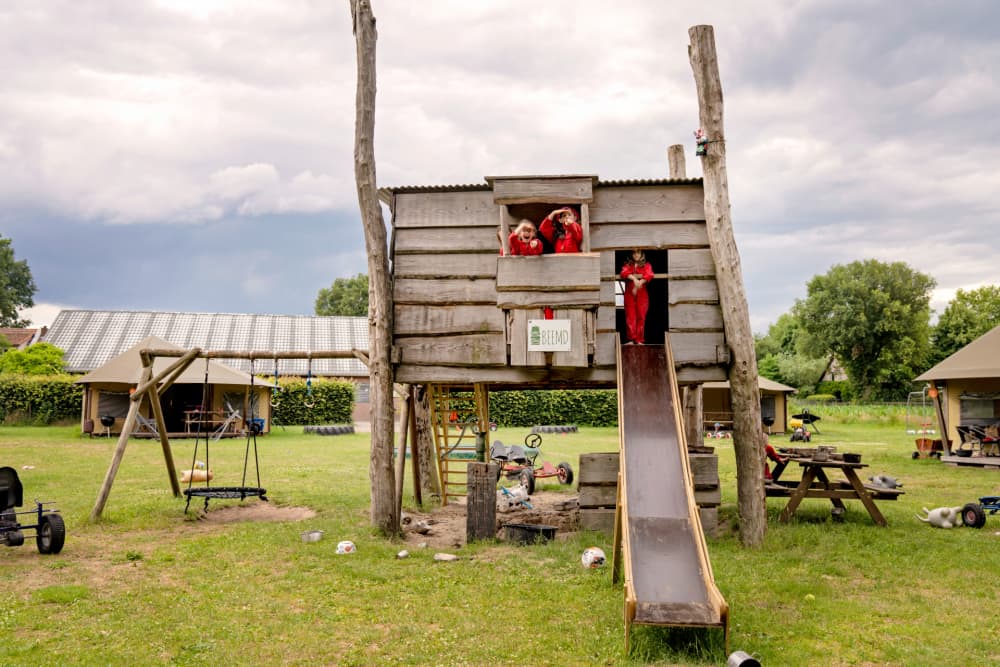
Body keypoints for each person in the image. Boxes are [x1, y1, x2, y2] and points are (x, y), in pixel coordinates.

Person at [620, 249, 653, 344]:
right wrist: (634, 279)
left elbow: (649, 274)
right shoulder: (628, 265)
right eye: (634, 253)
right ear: (631, 254)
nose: (636, 255)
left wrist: (640, 282)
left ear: (642, 254)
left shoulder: (646, 265)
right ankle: (631, 339)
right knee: (630, 316)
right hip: (629, 294)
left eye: (638, 252)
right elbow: (623, 273)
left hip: (642, 295)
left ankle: (639, 340)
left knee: (641, 316)